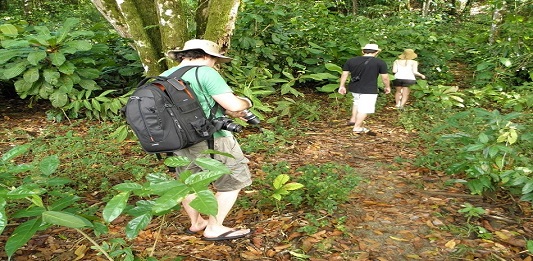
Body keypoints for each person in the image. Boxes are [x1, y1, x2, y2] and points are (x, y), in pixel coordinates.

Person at [163, 39, 253, 241]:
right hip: (212, 138)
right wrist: (246, 101)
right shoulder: (205, 72)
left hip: (179, 140)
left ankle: (196, 223)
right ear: (207, 56)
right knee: (232, 180)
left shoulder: (164, 76)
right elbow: (233, 104)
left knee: (191, 183)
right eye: (215, 60)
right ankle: (214, 227)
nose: (215, 64)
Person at [338, 43, 391, 134]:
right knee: (365, 108)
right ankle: (357, 127)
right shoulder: (380, 62)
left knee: (356, 102)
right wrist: (387, 87)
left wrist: (341, 86)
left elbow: (345, 74)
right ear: (377, 52)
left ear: (363, 51)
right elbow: (385, 77)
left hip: (354, 87)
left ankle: (353, 119)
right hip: (369, 89)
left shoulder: (351, 61)